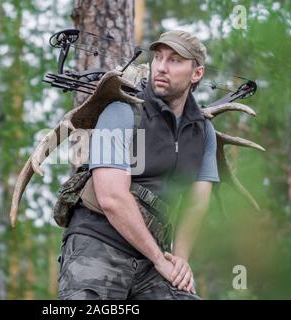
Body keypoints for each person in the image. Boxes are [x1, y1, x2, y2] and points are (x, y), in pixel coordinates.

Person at [57, 30, 219, 300]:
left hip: (151, 259)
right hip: (98, 243)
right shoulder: (122, 112)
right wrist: (159, 259)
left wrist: (179, 261)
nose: (162, 67)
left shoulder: (204, 131)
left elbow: (196, 203)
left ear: (197, 74)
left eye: (175, 61)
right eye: (158, 58)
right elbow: (112, 198)